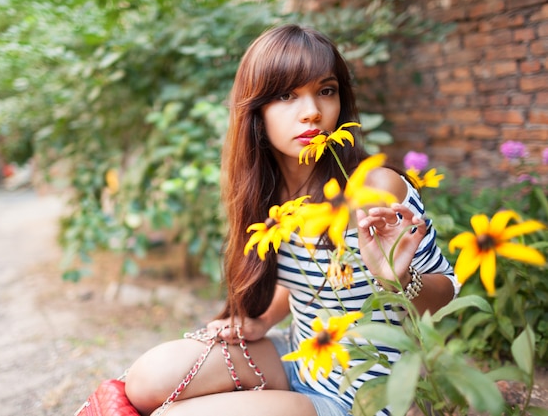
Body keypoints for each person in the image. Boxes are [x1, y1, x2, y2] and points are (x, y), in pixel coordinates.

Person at [124, 24, 459, 416]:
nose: (313, 111)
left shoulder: (376, 189)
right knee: (146, 379)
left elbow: (447, 292)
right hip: (299, 357)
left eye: (326, 90)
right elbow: (303, 280)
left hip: (364, 396)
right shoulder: (265, 193)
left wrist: (398, 280)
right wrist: (262, 321)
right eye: (287, 95)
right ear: (256, 109)